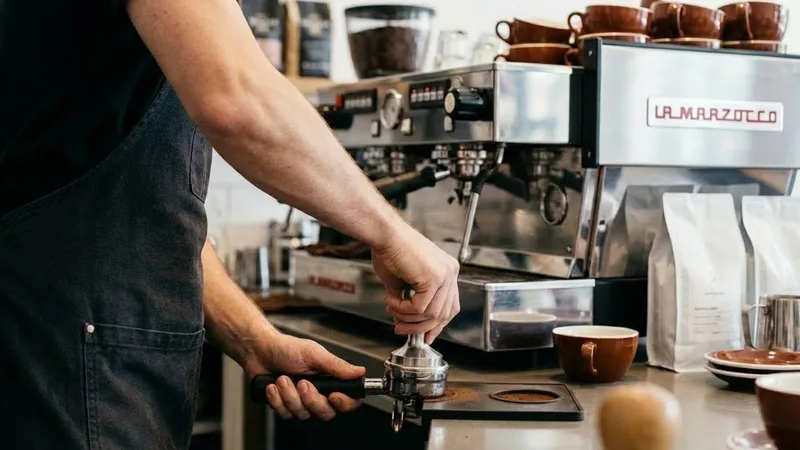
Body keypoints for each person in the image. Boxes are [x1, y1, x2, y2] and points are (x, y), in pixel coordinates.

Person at [0, 0, 460, 448]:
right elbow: (237, 103)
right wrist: (392, 234)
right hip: (62, 355)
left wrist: (252, 338)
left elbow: (139, 211)